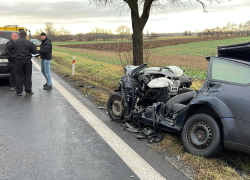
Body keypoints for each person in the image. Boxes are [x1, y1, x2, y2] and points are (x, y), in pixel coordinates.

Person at [7, 30, 37, 96]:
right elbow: (35, 52)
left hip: (18, 61)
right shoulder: (30, 43)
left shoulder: (15, 42)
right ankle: (28, 91)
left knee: (18, 76)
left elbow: (9, 48)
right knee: (28, 76)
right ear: (26, 36)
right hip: (27, 61)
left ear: (19, 35)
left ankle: (19, 92)